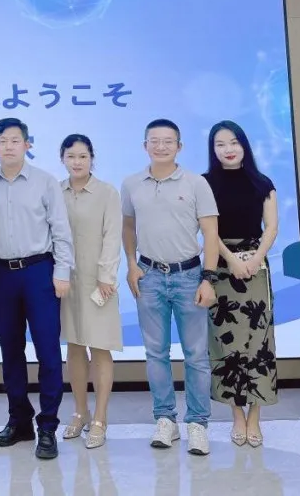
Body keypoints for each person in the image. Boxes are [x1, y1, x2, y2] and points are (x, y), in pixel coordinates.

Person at [0, 117, 75, 460]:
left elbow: (61, 230)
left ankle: (47, 426)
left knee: (48, 351)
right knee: (10, 351)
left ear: (27, 144)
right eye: (2, 140)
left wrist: (62, 272)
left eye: (15, 140)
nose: (8, 146)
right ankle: (19, 421)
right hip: (2, 274)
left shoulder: (45, 182)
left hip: (39, 271)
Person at [121, 118, 219, 456]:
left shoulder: (196, 183)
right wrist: (131, 264)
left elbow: (210, 233)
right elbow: (128, 226)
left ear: (179, 146)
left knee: (196, 355)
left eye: (168, 141)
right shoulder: (131, 184)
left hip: (189, 276)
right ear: (145, 145)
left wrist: (208, 278)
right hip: (149, 276)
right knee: (155, 353)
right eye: (154, 141)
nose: (161, 146)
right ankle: (165, 420)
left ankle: (198, 424)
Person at [202, 120, 279, 448]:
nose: (228, 149)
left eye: (233, 142)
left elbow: (271, 227)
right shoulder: (205, 184)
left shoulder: (262, 183)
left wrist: (255, 257)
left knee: (259, 344)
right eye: (220, 144)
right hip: (220, 269)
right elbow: (208, 231)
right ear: (213, 149)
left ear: (244, 145)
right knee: (227, 345)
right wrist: (231, 260)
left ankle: (255, 417)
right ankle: (236, 416)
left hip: (256, 269)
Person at [58, 134, 123, 450]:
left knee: (99, 347)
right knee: (74, 345)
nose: (77, 162)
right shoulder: (56, 192)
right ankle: (80, 411)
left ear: (92, 159)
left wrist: (106, 276)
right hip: (66, 281)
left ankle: (100, 417)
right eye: (71, 156)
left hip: (99, 282)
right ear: (63, 159)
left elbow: (113, 236)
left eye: (83, 156)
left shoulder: (107, 193)